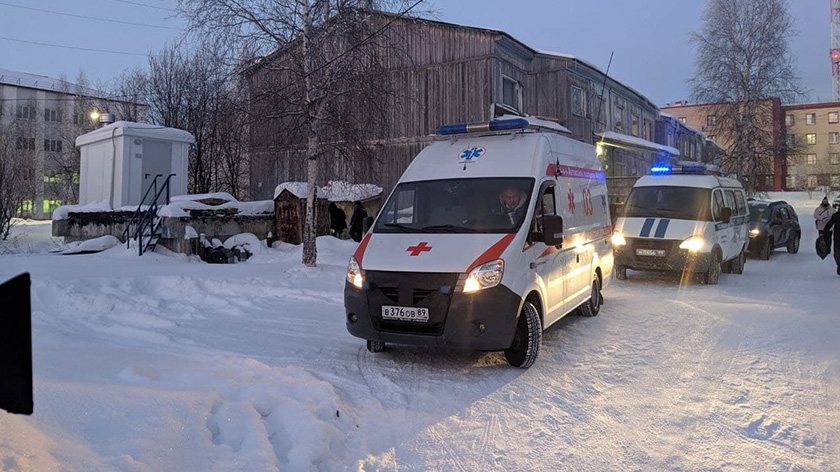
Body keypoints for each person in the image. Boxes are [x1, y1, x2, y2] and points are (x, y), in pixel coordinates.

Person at [823, 209, 840, 276]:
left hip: (837, 239)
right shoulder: (836, 215)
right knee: (837, 255)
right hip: (837, 239)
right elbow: (828, 225)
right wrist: (825, 233)